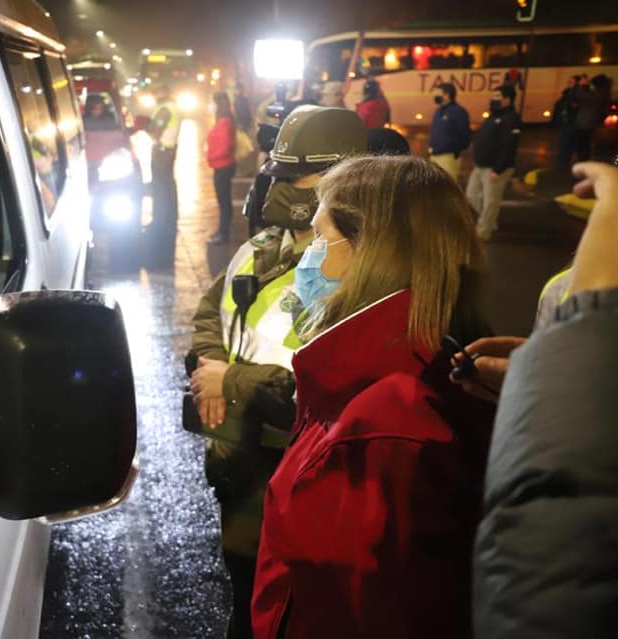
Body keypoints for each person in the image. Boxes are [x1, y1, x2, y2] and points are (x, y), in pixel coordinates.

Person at [252, 155, 494, 639]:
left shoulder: (383, 427)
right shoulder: (403, 368)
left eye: (322, 237)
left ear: (373, 251)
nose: (309, 255)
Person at [189, 105, 367, 639]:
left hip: (301, 473)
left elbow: (339, 388)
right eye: (279, 173)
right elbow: (208, 310)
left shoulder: (357, 269)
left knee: (295, 610)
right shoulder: (264, 246)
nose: (281, 186)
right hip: (240, 466)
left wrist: (232, 385)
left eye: (296, 177)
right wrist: (211, 362)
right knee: (246, 598)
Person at [473, 161, 618, 638]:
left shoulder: (582, 295)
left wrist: (593, 321)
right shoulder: (561, 291)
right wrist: (539, 376)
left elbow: (548, 571)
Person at [467, 85, 521, 240]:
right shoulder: (493, 116)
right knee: (471, 195)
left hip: (495, 168)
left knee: (491, 201)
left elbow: (510, 146)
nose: (494, 99)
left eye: (498, 96)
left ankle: (483, 232)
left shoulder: (511, 119)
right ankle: (490, 221)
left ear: (508, 99)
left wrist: (498, 169)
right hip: (481, 165)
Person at [146, 84, 180, 264]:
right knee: (166, 186)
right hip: (169, 150)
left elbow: (154, 130)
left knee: (161, 189)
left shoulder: (165, 110)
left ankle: (162, 220)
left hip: (162, 152)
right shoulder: (172, 108)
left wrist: (148, 128)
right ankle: (167, 217)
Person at [206, 92, 237, 244]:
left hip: (223, 165)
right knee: (224, 200)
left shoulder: (225, 122)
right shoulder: (224, 120)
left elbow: (225, 146)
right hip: (222, 165)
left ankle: (223, 234)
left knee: (223, 201)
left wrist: (212, 157)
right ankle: (223, 231)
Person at [429, 82, 471, 182]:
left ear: (447, 95)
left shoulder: (458, 112)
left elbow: (464, 136)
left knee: (447, 187)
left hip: (448, 157)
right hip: (434, 155)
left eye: (438, 93)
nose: (435, 96)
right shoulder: (438, 111)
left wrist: (454, 150)